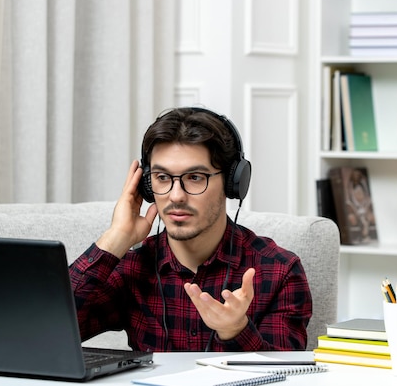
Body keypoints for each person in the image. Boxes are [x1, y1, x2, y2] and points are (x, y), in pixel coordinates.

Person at [69, 107, 311, 351]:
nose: (176, 196)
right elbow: (42, 333)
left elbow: (286, 376)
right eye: (162, 177)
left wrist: (235, 331)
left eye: (195, 177)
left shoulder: (280, 271)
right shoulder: (132, 269)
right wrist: (116, 238)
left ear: (231, 183)